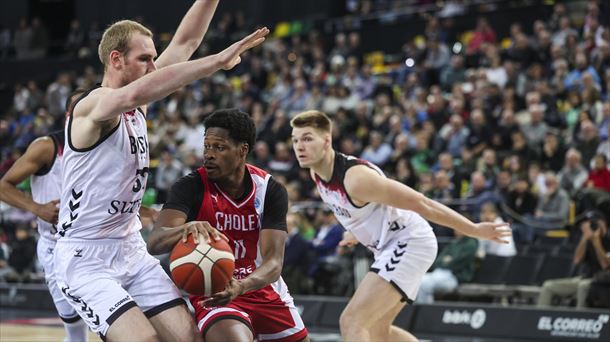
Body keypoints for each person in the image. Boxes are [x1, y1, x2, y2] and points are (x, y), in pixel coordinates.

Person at [54, 0, 270, 339]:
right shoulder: (93, 105)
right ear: (116, 59)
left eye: (155, 57)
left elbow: (184, 44)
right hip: (85, 258)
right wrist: (217, 61)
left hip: (129, 249)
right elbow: (137, 91)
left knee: (189, 337)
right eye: (145, 59)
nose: (154, 66)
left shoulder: (135, 102)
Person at [290, 110, 511, 341]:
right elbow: (356, 211)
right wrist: (354, 232)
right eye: (295, 140)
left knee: (352, 321)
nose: (299, 146)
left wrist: (473, 229)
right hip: (390, 246)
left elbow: (422, 203)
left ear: (327, 141)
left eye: (307, 138)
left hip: (409, 241)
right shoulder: (317, 174)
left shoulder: (356, 179)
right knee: (377, 330)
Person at [147, 109, 308, 342]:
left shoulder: (268, 189)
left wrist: (241, 286)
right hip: (215, 292)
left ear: (242, 150)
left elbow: (274, 263)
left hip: (262, 289)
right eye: (207, 146)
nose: (208, 155)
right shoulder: (190, 186)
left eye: (219, 147)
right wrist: (186, 228)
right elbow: (155, 242)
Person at [0, 91, 89, 341]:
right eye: (80, 109)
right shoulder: (47, 146)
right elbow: (3, 186)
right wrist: (38, 208)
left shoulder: (104, 147)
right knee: (72, 323)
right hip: (55, 245)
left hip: (94, 243)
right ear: (68, 116)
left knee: (110, 316)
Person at [538, 213, 609, 308]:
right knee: (548, 286)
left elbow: (605, 265)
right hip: (585, 278)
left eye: (593, 223)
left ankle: (579, 319)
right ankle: (541, 319)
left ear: (602, 223)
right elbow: (576, 260)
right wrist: (584, 238)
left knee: (583, 286)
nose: (590, 226)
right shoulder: (587, 240)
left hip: (602, 282)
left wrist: (596, 241)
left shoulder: (607, 240)